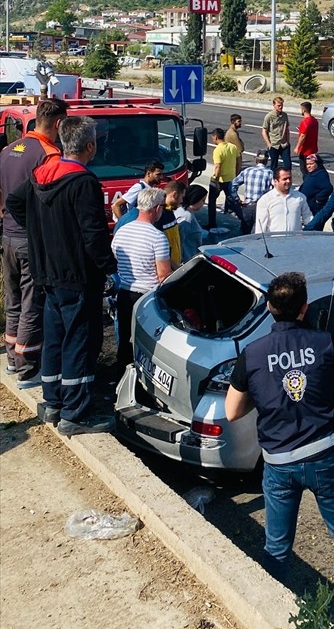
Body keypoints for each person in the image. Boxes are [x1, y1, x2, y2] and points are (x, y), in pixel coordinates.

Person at [224, 271, 334, 609]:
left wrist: (264, 395)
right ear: (304, 308)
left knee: (276, 546)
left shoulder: (253, 353)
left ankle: (274, 611)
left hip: (279, 464)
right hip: (326, 456)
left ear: (268, 307)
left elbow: (232, 411)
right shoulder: (325, 342)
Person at [6, 116, 117, 435]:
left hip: (46, 273)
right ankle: (75, 414)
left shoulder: (41, 173)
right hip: (77, 277)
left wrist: (41, 231)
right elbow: (94, 235)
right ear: (90, 146)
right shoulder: (84, 182)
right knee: (80, 342)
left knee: (53, 337)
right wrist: (109, 269)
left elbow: (14, 201)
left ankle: (52, 403)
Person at [0, 97, 67, 387]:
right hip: (31, 239)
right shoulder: (49, 155)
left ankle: (12, 359)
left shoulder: (8, 150)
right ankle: (27, 367)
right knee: (31, 302)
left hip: (8, 235)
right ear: (59, 123)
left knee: (13, 299)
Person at [112, 187, 173, 375]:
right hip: (147, 298)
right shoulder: (157, 237)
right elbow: (163, 275)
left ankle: (121, 374)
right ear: (155, 209)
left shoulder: (122, 231)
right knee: (146, 341)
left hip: (124, 291)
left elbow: (116, 255)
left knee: (124, 337)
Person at [254, 167, 313, 234]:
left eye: (289, 178)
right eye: (284, 179)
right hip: (274, 242)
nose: (288, 181)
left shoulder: (300, 197)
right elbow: (261, 227)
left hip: (295, 241)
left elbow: (308, 218)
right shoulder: (265, 200)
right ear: (275, 181)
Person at [233, 151, 274, 235]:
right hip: (262, 206)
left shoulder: (247, 171)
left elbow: (233, 184)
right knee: (259, 232)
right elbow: (275, 190)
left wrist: (238, 200)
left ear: (256, 160)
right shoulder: (269, 173)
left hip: (247, 205)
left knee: (245, 232)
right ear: (266, 161)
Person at [209, 128, 241, 230]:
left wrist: (216, 181)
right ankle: (243, 219)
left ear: (216, 137)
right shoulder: (233, 147)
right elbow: (238, 161)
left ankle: (212, 223)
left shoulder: (218, 150)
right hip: (231, 179)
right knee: (233, 201)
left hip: (220, 180)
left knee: (212, 202)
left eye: (212, 137)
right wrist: (236, 174)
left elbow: (218, 167)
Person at [175, 184, 208, 260]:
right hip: (187, 259)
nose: (204, 203)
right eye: (202, 200)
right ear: (195, 198)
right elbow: (179, 242)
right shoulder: (186, 218)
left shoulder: (184, 211)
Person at [262, 96, 292, 174]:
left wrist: (288, 141)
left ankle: (287, 180)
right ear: (274, 105)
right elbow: (264, 131)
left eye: (281, 105)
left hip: (284, 144)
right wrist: (269, 144)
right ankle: (273, 182)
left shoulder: (285, 115)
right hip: (274, 144)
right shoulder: (269, 116)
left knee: (288, 165)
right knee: (274, 166)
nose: (280, 107)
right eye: (278, 105)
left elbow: (287, 129)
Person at [294, 102, 319, 175]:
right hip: (313, 150)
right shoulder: (314, 120)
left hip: (305, 151)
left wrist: (297, 147)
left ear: (303, 110)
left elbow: (303, 136)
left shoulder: (305, 122)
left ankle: (307, 185)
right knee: (313, 170)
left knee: (305, 171)